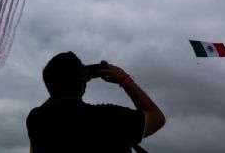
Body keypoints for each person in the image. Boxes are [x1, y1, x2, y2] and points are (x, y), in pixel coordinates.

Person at [26, 52, 165, 153]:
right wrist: (124, 79)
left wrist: (68, 81)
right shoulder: (111, 118)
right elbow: (158, 118)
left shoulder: (36, 120)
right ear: (83, 84)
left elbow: (56, 97)